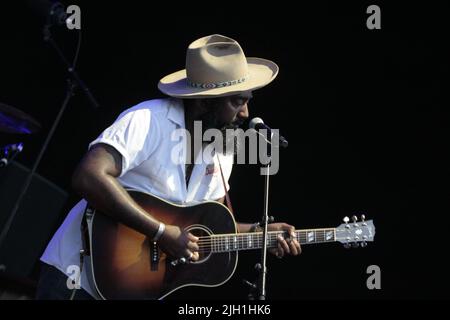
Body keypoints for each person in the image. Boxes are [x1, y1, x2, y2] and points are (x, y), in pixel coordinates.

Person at [36, 34, 301, 300]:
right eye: (237, 101)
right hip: (76, 276)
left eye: (246, 100)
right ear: (205, 101)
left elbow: (209, 224)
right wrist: (160, 232)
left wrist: (260, 232)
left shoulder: (223, 151)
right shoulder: (148, 120)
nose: (245, 113)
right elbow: (88, 176)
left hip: (131, 290)